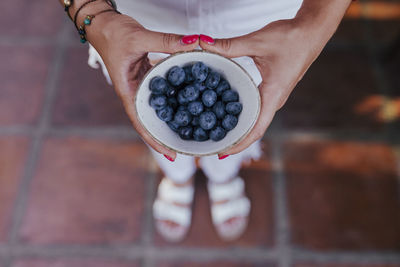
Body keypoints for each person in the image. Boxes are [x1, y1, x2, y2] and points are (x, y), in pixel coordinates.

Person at [59, 0, 353, 242]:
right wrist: (90, 11)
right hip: (138, 16)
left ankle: (223, 173)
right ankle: (177, 174)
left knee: (251, 110)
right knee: (150, 113)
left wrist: (316, 22)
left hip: (262, 18)